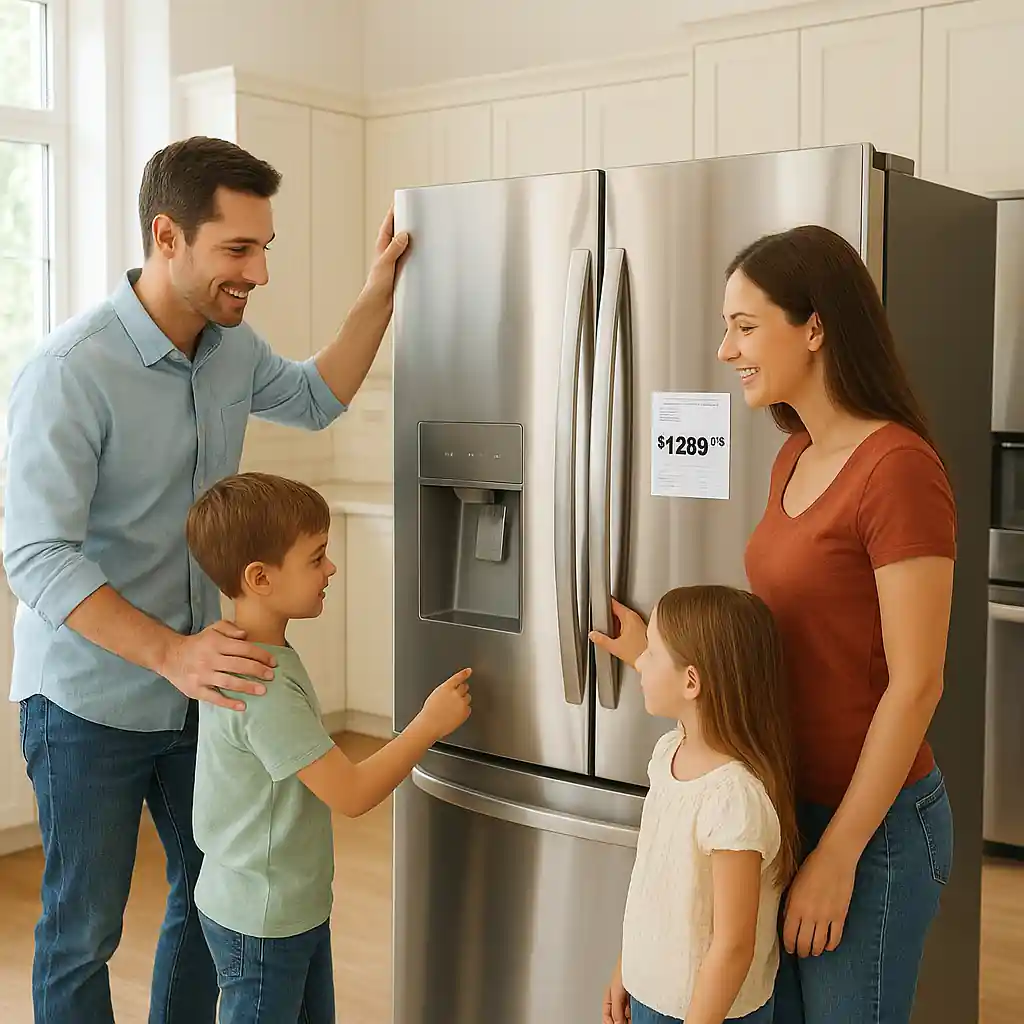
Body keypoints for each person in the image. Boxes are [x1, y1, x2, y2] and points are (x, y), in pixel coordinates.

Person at [3, 136, 409, 1024]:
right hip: (88, 700)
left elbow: (314, 396)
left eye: (264, 247)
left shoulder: (229, 349)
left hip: (203, 690)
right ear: (167, 236)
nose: (257, 271)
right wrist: (171, 654)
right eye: (238, 248)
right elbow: (35, 555)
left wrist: (380, 294)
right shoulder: (70, 373)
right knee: (83, 930)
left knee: (207, 897)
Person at [592, 225, 956, 1024]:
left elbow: (918, 680)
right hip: (783, 804)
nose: (727, 350)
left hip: (874, 824)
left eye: (745, 325)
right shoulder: (792, 456)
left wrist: (841, 851)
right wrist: (657, 648)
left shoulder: (898, 470)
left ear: (815, 326)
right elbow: (781, 633)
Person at [183, 472, 471, 1024]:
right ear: (260, 578)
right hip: (264, 921)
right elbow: (352, 792)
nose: (331, 569)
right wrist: (428, 725)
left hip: (282, 906)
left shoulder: (249, 655)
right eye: (316, 558)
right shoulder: (263, 687)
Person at [601, 585, 796, 1024]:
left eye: (650, 651)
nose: (640, 661)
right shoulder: (670, 753)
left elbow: (733, 945)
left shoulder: (735, 800)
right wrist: (628, 967)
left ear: (692, 682)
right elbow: (657, 888)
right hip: (655, 996)